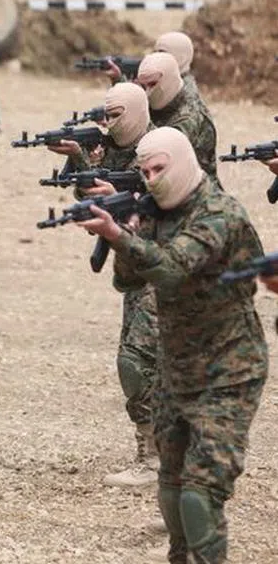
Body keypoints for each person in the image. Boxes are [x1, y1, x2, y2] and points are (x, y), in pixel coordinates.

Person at [77, 127, 267, 564]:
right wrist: (127, 232)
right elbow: (128, 280)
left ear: (181, 163)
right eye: (144, 171)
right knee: (172, 493)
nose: (153, 177)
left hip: (229, 369)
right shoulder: (157, 212)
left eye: (160, 167)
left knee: (200, 498)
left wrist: (122, 236)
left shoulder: (219, 213)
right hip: (176, 367)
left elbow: (172, 269)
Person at [50, 83, 161, 487]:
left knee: (136, 359)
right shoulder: (115, 147)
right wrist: (80, 159)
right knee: (142, 361)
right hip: (135, 264)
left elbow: (171, 206)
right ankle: (154, 450)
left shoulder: (161, 149)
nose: (108, 122)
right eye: (106, 114)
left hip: (165, 264)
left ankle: (156, 457)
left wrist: (126, 199)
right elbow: (92, 191)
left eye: (116, 114)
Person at [135, 53, 218, 183]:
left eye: (152, 84)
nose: (147, 92)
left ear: (168, 79)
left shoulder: (189, 115)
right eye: (143, 86)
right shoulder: (162, 102)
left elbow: (160, 153)